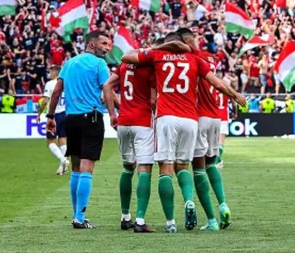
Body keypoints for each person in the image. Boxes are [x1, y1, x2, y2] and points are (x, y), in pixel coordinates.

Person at [122, 33, 246, 234]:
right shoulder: (195, 59)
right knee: (184, 167)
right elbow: (217, 83)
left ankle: (170, 223)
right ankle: (189, 201)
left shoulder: (157, 55)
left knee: (166, 170)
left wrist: (161, 49)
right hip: (190, 119)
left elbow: (125, 57)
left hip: (166, 117)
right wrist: (235, 95)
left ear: (168, 43)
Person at [46, 31, 111, 229]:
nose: (107, 48)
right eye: (104, 43)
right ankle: (79, 218)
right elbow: (107, 90)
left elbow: (57, 91)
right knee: (86, 168)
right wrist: (116, 111)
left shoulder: (70, 63)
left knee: (75, 168)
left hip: (71, 118)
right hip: (91, 118)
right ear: (92, 45)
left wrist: (50, 116)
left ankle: (77, 215)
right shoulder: (100, 64)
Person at [102, 39, 167, 233]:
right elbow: (154, 100)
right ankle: (139, 220)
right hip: (143, 122)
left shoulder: (123, 65)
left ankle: (125, 217)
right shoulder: (150, 68)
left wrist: (112, 114)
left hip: (123, 122)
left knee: (127, 168)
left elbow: (106, 87)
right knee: (144, 169)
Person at [177, 28, 232, 231]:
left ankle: (211, 221)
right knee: (212, 165)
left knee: (198, 169)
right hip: (215, 117)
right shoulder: (210, 58)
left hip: (198, 116)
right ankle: (223, 205)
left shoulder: (188, 59)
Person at [37, 65, 70, 176]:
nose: (49, 73)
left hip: (54, 115)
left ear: (56, 72)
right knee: (62, 139)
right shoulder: (66, 84)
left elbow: (45, 101)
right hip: (65, 114)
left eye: (51, 71)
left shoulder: (50, 84)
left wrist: (39, 114)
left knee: (50, 142)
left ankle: (63, 160)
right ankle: (62, 167)